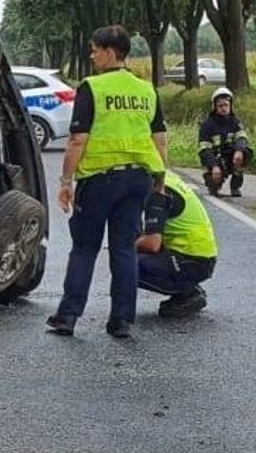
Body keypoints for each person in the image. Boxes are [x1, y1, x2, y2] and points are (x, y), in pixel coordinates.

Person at [46, 25, 168, 339]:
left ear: (110, 52)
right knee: (124, 249)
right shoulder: (146, 90)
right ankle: (122, 321)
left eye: (95, 49)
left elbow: (77, 139)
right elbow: (160, 139)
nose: (91, 54)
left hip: (100, 180)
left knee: (85, 248)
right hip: (138, 178)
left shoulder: (92, 87)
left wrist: (65, 181)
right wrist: (160, 179)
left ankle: (68, 316)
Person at [137, 170, 217, 317]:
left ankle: (189, 293)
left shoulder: (158, 190)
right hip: (198, 255)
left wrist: (122, 245)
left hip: (191, 259)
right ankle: (187, 288)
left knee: (127, 263)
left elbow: (152, 243)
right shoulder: (166, 177)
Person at [198, 87, 252, 197]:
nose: (224, 108)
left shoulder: (235, 122)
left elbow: (242, 138)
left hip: (231, 156)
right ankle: (213, 184)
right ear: (215, 107)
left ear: (230, 106)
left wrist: (239, 151)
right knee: (214, 185)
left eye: (226, 105)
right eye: (220, 106)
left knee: (244, 153)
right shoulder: (207, 125)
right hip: (216, 159)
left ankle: (235, 187)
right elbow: (204, 150)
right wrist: (214, 166)